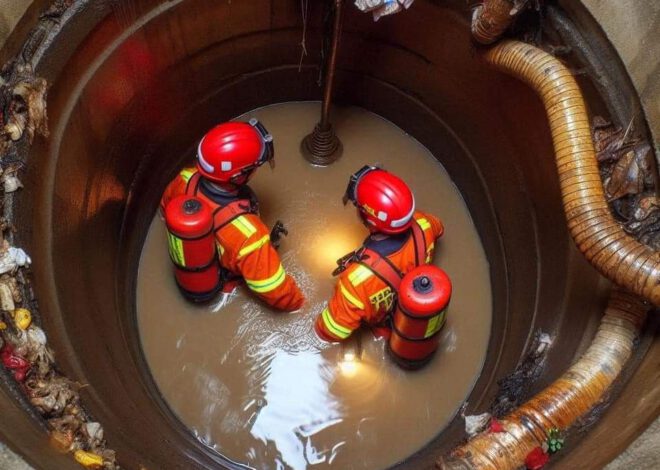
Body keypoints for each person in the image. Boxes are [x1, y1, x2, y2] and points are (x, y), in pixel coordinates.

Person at [160, 119, 304, 312]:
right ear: (238, 177)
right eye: (255, 166)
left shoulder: (185, 177)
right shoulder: (250, 235)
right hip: (224, 283)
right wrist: (300, 306)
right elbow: (274, 290)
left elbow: (165, 208)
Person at [315, 166, 444, 341]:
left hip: (386, 334)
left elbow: (331, 332)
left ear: (367, 218)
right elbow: (439, 228)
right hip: (411, 319)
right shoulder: (424, 223)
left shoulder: (356, 282)